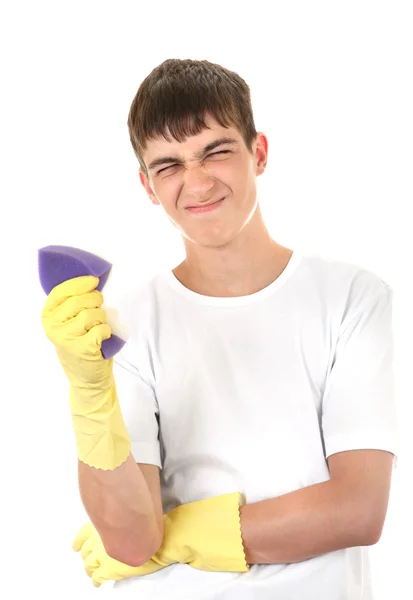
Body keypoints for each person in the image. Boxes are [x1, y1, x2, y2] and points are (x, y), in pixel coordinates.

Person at [41, 59, 399, 600]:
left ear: (258, 152)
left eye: (216, 150)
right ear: (147, 185)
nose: (198, 181)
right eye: (169, 165)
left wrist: (180, 536)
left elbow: (358, 510)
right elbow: (132, 539)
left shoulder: (352, 299)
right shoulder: (126, 325)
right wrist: (88, 389)